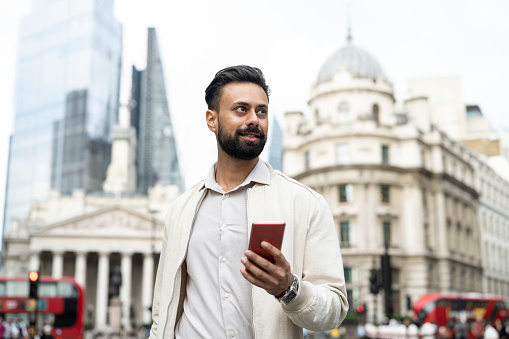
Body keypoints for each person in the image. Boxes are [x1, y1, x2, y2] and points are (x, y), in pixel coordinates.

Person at [149, 65, 348, 339]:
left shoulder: (306, 203)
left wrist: (288, 289)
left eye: (261, 111)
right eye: (241, 109)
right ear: (212, 120)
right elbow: (164, 308)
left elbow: (334, 310)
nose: (254, 119)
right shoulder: (180, 210)